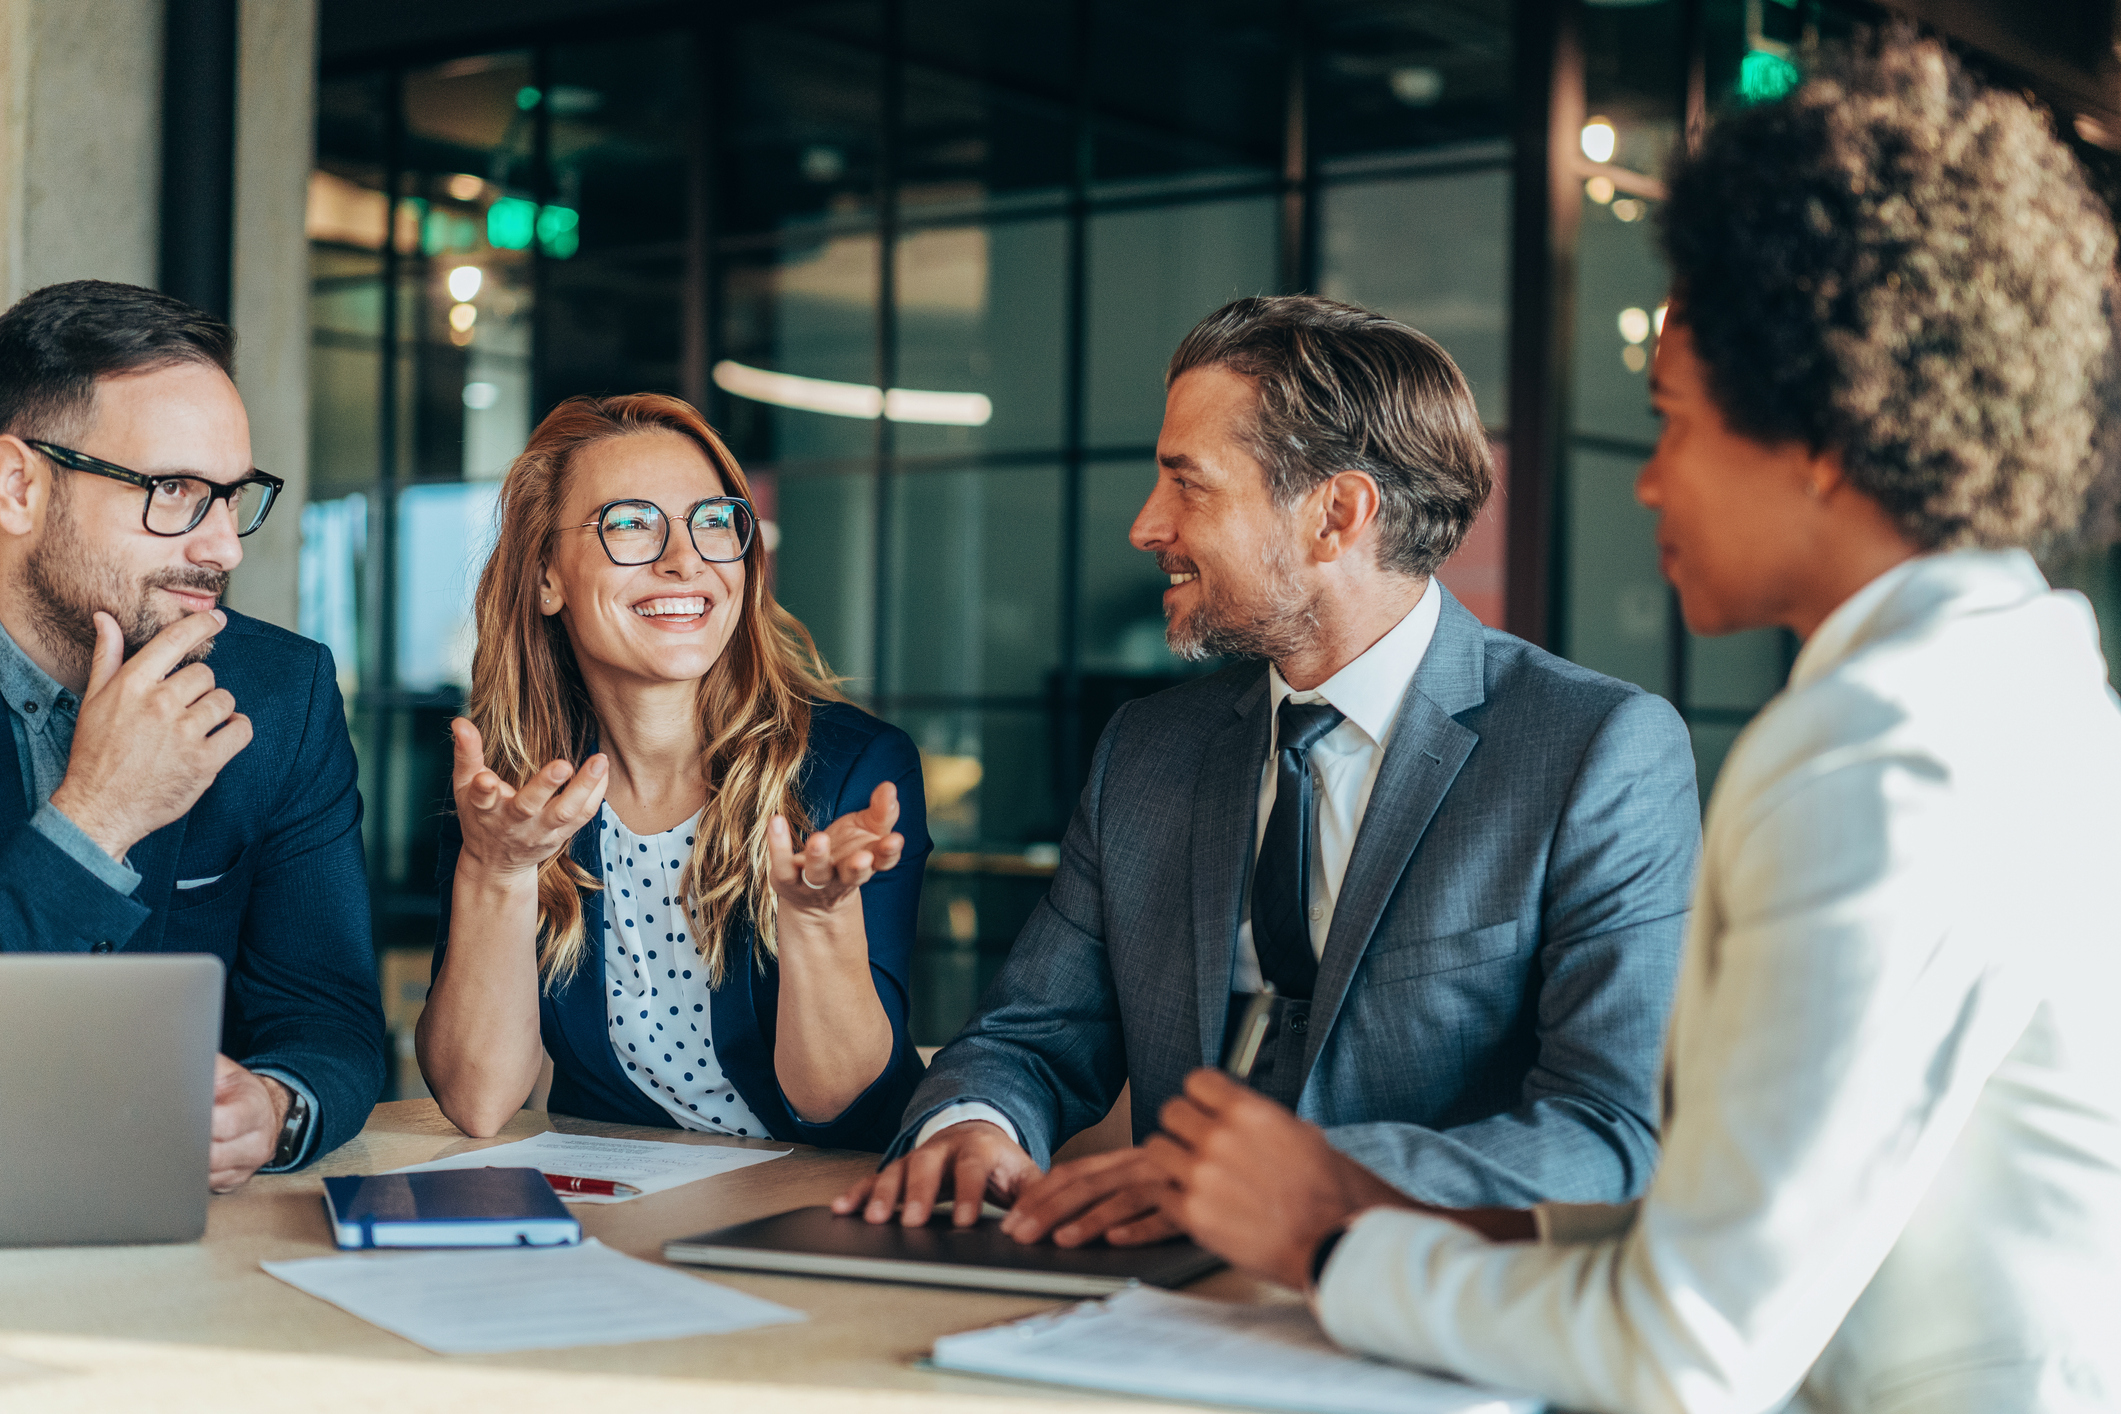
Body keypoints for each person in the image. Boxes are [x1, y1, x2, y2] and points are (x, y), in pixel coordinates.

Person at [1145, 33, 2121, 1414]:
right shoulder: (2006, 680)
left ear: (1824, 431)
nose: (1649, 484)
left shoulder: (1881, 754)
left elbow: (1691, 1349)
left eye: (1674, 423)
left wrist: (1330, 1237)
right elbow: (1763, 1230)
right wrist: (1397, 1216)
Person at [838, 294, 1703, 1244]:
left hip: (1428, 1316)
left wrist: (1304, 1187)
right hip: (1151, 1312)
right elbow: (1028, 1036)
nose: (1145, 525)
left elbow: (1612, 1129)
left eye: (1188, 483)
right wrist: (975, 1124)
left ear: (1335, 514)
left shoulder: (1598, 748)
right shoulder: (1147, 750)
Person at [417, 394, 930, 1149]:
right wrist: (497, 871)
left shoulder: (849, 769)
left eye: (713, 521)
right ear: (546, 577)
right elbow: (480, 1098)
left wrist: (816, 921)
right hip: (617, 1218)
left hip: (813, 1213)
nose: (684, 559)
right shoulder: (509, 793)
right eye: (629, 523)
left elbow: (842, 1106)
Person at [0, 279, 385, 1190]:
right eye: (173, 490)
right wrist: (94, 819)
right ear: (18, 486)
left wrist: (275, 1106)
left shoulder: (280, 693)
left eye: (232, 496)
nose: (223, 547)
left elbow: (327, 1010)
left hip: (180, 1243)